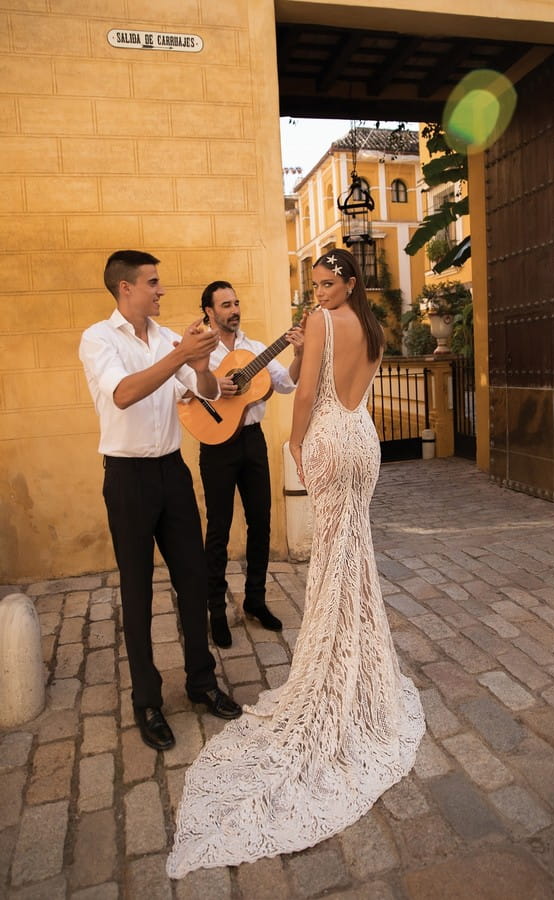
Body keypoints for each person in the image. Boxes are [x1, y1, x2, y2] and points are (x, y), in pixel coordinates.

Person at [166, 248, 424, 876]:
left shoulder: (328, 323)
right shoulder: (377, 325)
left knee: (337, 558)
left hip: (333, 438)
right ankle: (357, 660)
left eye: (327, 283)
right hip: (366, 439)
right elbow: (351, 386)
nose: (319, 292)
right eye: (313, 284)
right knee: (352, 555)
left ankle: (337, 672)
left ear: (349, 282)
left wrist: (294, 439)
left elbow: (305, 392)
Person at [79, 251, 242, 753]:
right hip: (127, 478)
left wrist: (198, 364)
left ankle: (201, 681)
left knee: (192, 580)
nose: (160, 291)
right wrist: (177, 358)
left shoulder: (171, 336)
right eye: (153, 283)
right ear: (126, 288)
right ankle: (146, 699)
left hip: (173, 472)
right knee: (137, 590)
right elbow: (123, 394)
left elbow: (209, 390)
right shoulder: (98, 339)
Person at [198, 280, 305, 648]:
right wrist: (213, 384)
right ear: (210, 311)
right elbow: (181, 389)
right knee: (219, 527)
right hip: (216, 444)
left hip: (252, 441)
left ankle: (255, 600)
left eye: (236, 302)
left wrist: (300, 353)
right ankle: (214, 608)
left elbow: (287, 384)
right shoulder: (202, 349)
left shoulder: (256, 348)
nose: (234, 309)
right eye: (225, 304)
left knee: (261, 521)